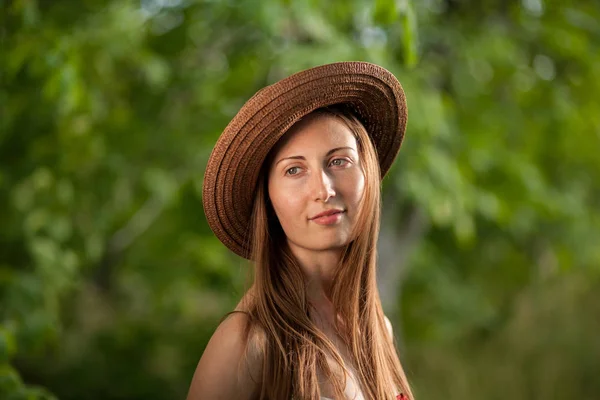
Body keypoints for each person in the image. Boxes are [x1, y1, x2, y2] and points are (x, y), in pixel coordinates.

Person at [187, 62, 413, 400]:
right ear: (269, 199)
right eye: (294, 170)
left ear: (368, 174)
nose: (323, 190)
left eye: (339, 161)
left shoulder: (377, 329)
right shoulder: (248, 340)